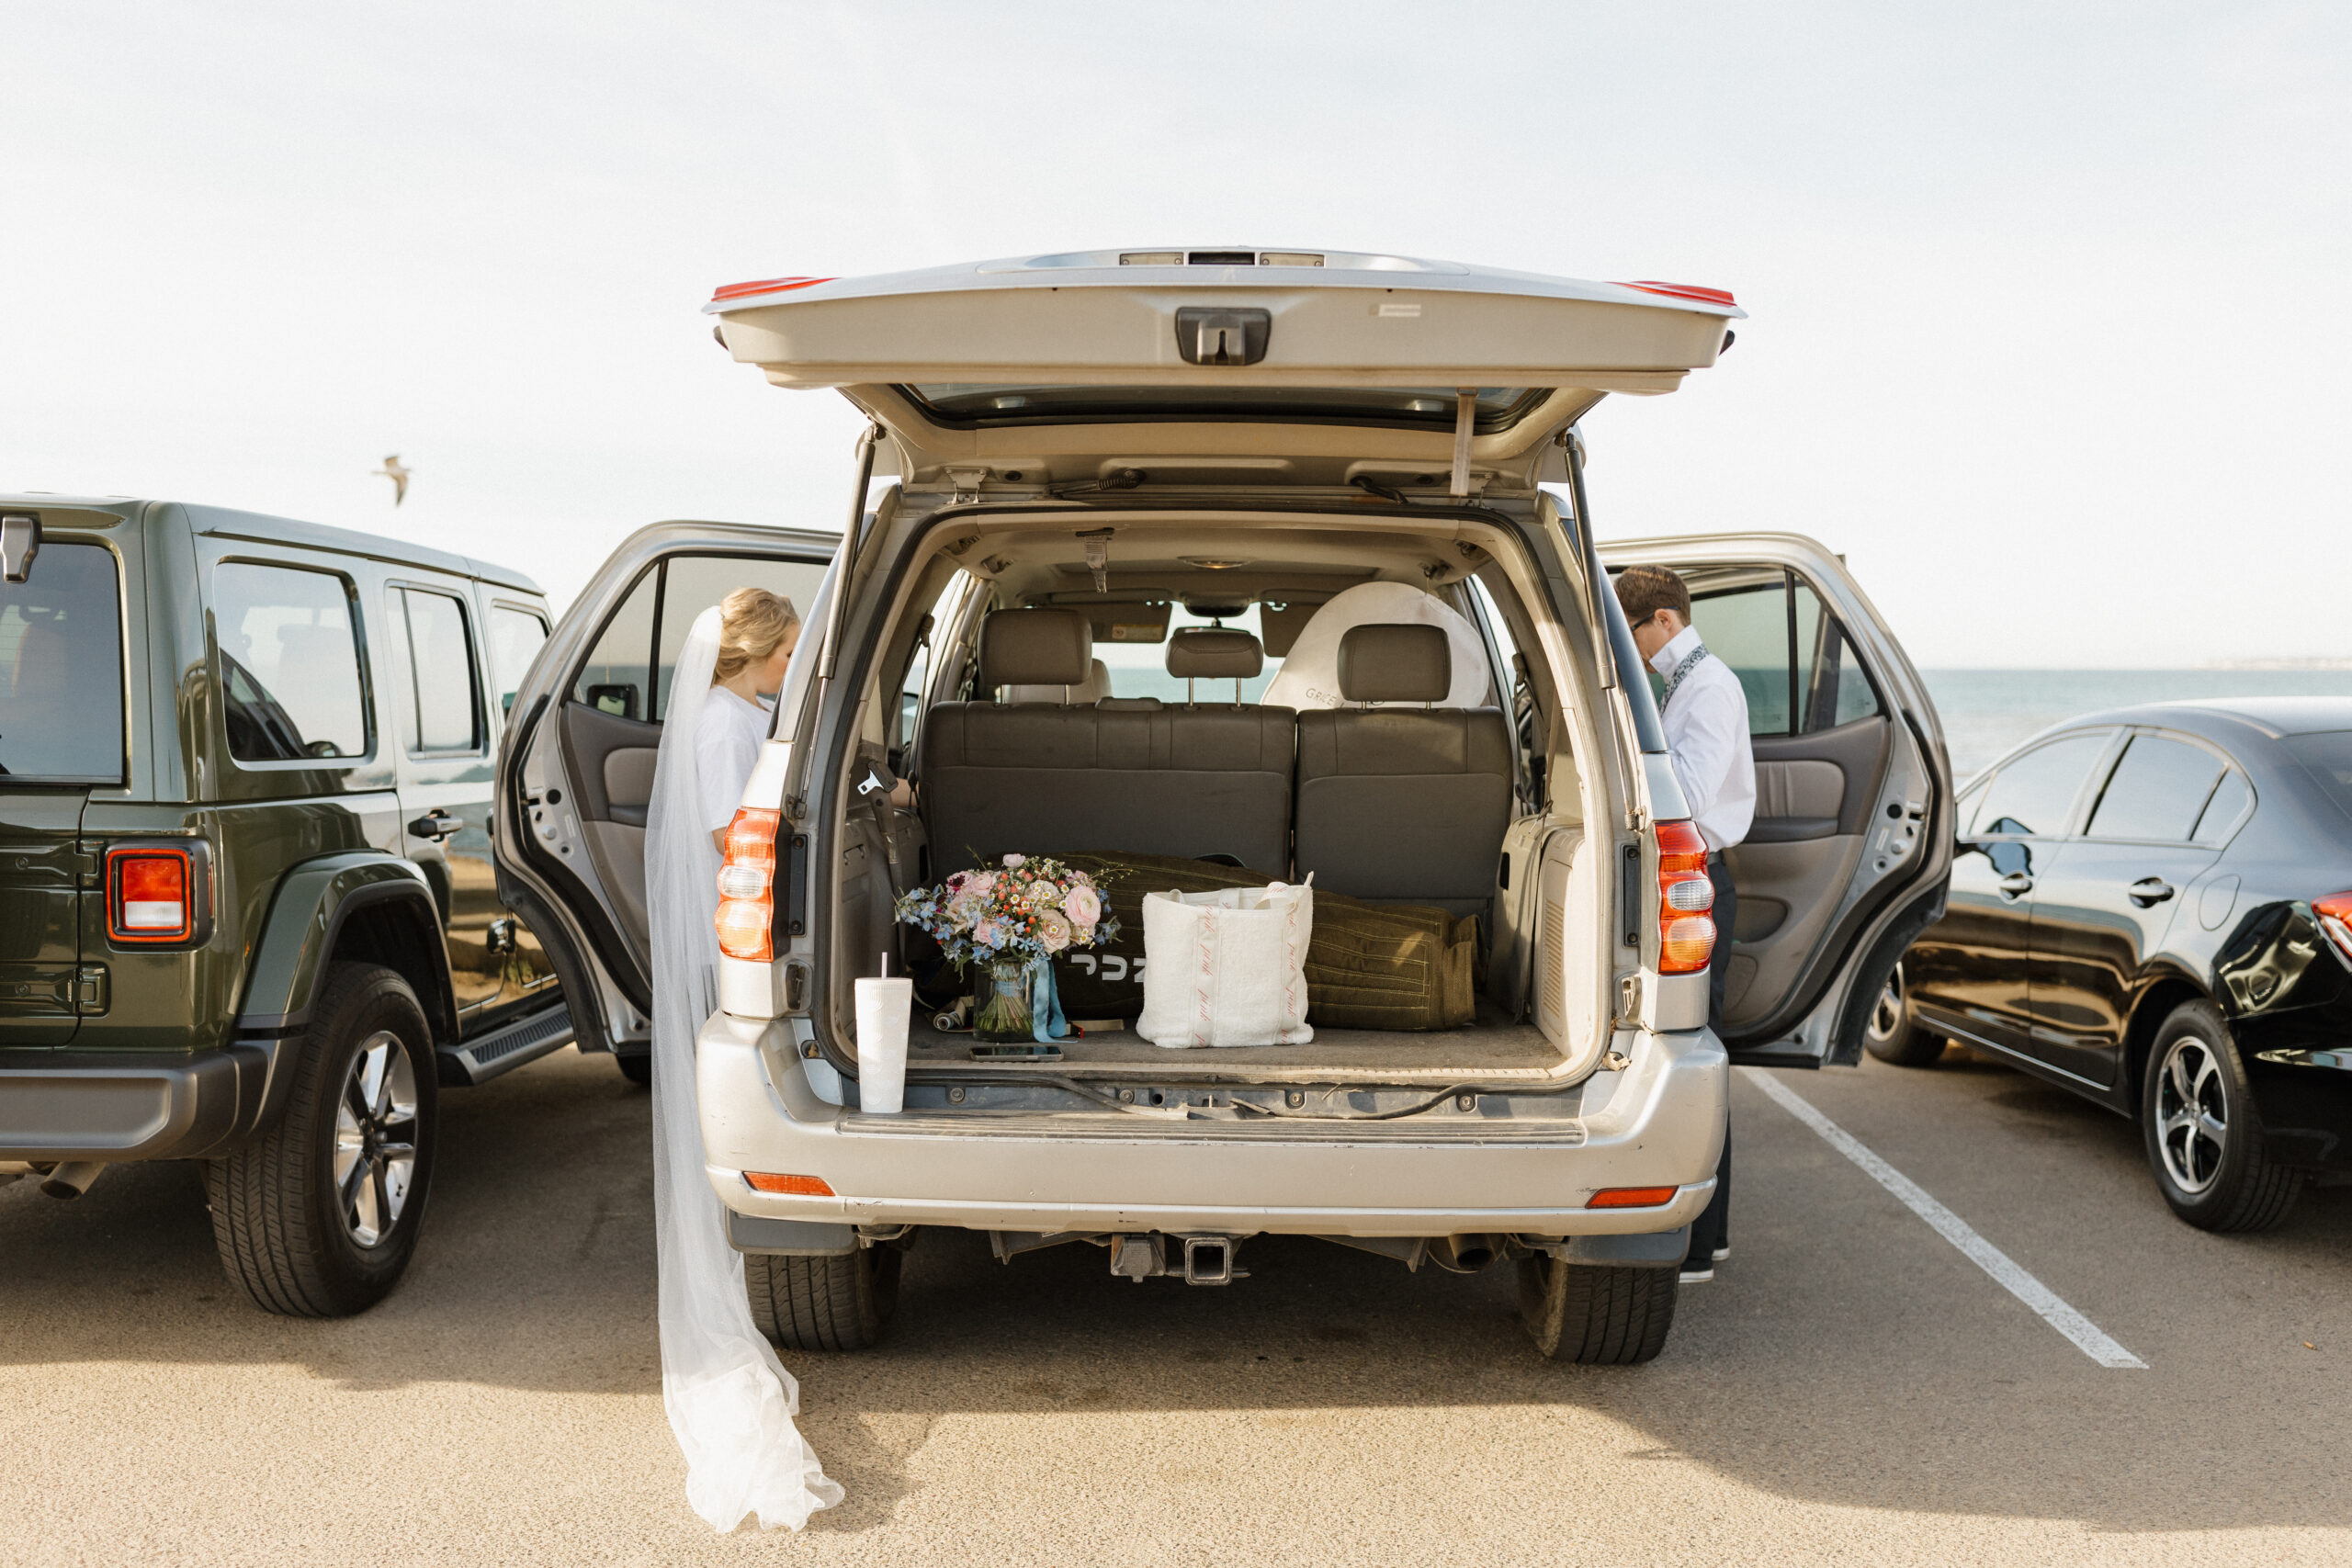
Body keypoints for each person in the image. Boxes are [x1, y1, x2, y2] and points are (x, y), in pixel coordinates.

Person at [643, 589, 836, 1532]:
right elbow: (736, 845)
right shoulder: (727, 728)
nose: (792, 663)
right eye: (788, 648)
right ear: (755, 651)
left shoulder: (736, 716)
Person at [1615, 565, 1754, 1285]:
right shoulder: (1693, 684)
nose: (1634, 651)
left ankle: (1698, 1246)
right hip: (1699, 879)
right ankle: (1712, 1236)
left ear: (1663, 621)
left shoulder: (1706, 689)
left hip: (1699, 881)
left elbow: (1690, 799)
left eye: (1634, 634)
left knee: (1699, 1051)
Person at [696, 588, 803, 851]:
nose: (796, 664)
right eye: (790, 655)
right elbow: (726, 832)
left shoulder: (763, 707)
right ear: (757, 651)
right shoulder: (725, 721)